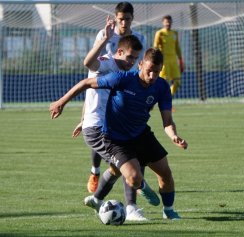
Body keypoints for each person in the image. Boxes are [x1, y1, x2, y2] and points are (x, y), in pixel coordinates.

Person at [49, 48, 188, 220]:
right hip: (116, 139)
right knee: (134, 178)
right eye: (149, 70)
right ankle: (142, 187)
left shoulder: (161, 87)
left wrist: (173, 135)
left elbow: (167, 121)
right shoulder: (122, 79)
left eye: (157, 72)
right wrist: (61, 102)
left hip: (141, 134)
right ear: (141, 64)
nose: (152, 76)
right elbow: (86, 83)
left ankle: (169, 210)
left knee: (165, 173)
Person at [83, 1, 146, 194]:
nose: (124, 23)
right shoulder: (105, 35)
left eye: (127, 19)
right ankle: (95, 171)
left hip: (125, 90)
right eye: (121, 19)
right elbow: (92, 66)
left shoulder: (139, 38)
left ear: (132, 18)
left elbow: (140, 66)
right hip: (103, 87)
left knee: (125, 140)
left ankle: (130, 194)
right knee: (100, 129)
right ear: (116, 18)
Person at [153, 15, 184, 98]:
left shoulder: (174, 33)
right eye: (166, 22)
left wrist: (181, 59)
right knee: (164, 82)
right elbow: (155, 47)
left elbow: (177, 47)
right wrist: (156, 59)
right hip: (164, 61)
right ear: (163, 23)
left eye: (169, 22)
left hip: (173, 61)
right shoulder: (160, 33)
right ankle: (160, 98)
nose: (168, 23)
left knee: (177, 82)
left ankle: (167, 96)